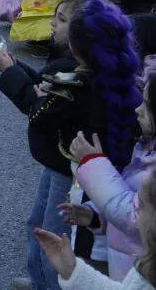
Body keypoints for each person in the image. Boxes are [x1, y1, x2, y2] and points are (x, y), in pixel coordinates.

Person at [0, 0, 105, 290]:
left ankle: (49, 283)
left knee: (54, 237)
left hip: (69, 169)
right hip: (57, 163)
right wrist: (16, 67)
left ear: (83, 36)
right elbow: (44, 86)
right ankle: (39, 280)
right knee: (38, 223)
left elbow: (39, 110)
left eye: (62, 20)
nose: (53, 24)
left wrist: (9, 72)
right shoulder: (74, 66)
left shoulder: (80, 79)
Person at [65, 76, 156, 282]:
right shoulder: (147, 147)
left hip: (140, 276)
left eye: (147, 104)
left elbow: (140, 218)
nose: (138, 109)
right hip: (128, 267)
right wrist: (97, 216)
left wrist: (94, 163)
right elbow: (134, 198)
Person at [37, 174, 156, 289]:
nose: (135, 210)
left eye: (140, 205)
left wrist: (88, 162)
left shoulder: (146, 269)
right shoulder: (147, 266)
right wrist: (72, 271)